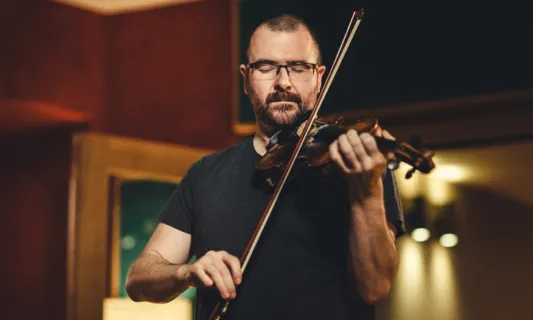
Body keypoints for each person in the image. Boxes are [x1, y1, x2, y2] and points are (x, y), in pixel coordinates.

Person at [125, 13, 405, 320]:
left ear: (319, 76)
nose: (283, 82)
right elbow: (138, 280)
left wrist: (366, 192)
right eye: (267, 67)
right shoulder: (205, 174)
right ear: (246, 77)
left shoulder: (359, 167)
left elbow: (375, 288)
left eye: (299, 68)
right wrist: (187, 272)